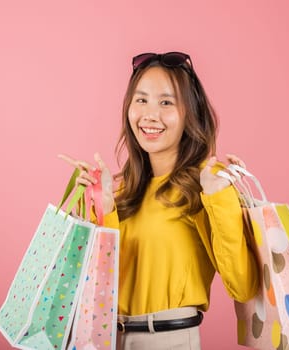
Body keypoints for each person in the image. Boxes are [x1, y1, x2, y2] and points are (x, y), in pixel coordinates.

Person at [59, 51, 259, 350]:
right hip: (104, 339)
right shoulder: (121, 187)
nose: (150, 115)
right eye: (141, 100)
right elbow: (95, 288)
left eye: (166, 102)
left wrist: (219, 199)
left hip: (168, 339)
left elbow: (242, 286)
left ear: (190, 113)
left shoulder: (207, 182)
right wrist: (103, 210)